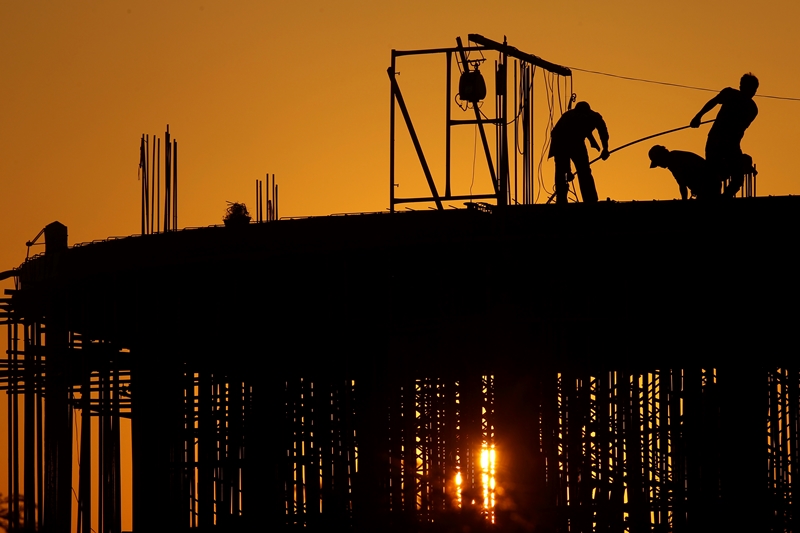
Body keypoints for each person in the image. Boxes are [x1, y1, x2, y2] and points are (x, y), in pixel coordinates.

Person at [690, 73, 758, 197]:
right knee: (714, 175)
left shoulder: (751, 107)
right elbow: (713, 102)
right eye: (751, 88)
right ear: (742, 87)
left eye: (753, 89)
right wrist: (698, 116)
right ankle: (713, 199)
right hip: (720, 142)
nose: (753, 92)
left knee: (734, 177)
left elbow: (739, 126)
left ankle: (722, 199)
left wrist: (698, 117)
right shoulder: (733, 95)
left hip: (728, 143)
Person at [549, 101, 610, 204]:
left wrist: (605, 148)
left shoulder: (592, 117)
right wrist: (568, 170)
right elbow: (563, 146)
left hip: (572, 142)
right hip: (562, 142)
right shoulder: (571, 118)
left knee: (581, 172)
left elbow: (602, 132)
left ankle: (588, 199)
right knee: (572, 172)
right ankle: (571, 200)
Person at [648, 145, 720, 200]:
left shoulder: (674, 161)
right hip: (709, 184)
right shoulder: (675, 156)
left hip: (709, 186)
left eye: (658, 162)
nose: (660, 166)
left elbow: (682, 185)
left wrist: (684, 203)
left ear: (661, 157)